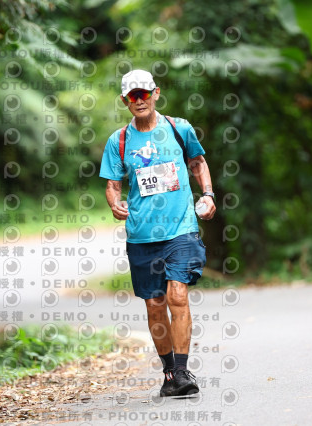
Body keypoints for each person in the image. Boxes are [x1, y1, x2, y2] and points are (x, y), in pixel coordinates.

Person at [99, 69, 216, 397]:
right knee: (154, 304)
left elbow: (198, 162)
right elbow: (112, 184)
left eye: (144, 93)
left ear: (156, 93)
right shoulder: (119, 140)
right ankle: (168, 372)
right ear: (125, 101)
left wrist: (208, 194)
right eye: (132, 96)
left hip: (181, 229)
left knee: (177, 294)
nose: (139, 100)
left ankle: (182, 371)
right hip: (142, 235)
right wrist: (114, 203)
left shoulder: (179, 128)